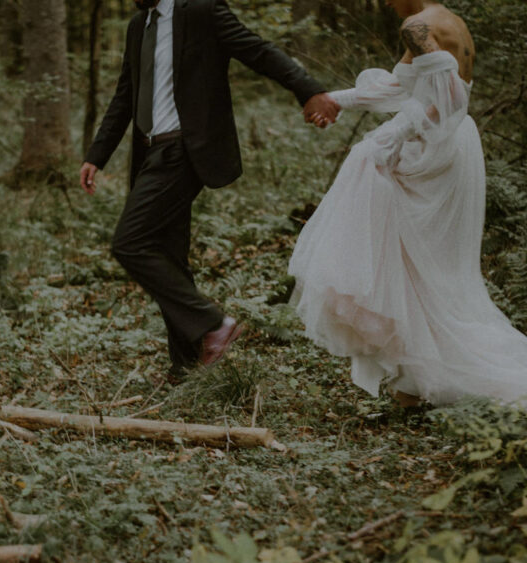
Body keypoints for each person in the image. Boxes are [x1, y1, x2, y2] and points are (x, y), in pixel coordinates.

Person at [289, 0, 527, 407]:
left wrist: (394, 136)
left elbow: (451, 99)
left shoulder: (417, 26)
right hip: (453, 145)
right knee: (422, 269)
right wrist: (332, 99)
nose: (386, 2)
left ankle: (430, 378)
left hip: (436, 153)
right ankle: (413, 385)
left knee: (421, 267)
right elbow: (400, 87)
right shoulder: (448, 21)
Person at [80, 0, 339, 382]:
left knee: (130, 242)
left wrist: (309, 90)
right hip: (149, 154)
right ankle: (184, 368)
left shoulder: (200, 11)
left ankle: (214, 324)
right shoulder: (139, 25)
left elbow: (258, 51)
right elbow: (125, 95)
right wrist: (97, 155)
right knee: (168, 253)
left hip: (185, 151)